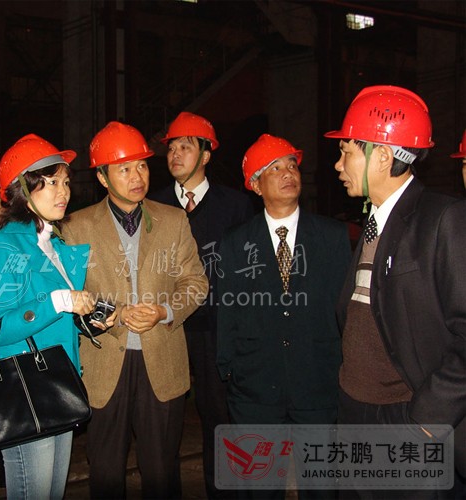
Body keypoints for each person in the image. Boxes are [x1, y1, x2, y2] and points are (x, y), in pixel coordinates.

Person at [325, 85, 466, 497]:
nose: (338, 164)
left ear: (383, 156)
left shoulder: (443, 220)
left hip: (406, 419)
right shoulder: (373, 220)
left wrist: (427, 419)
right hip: (354, 412)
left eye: (346, 151)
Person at [62, 121, 209, 499]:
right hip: (104, 362)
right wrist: (117, 316)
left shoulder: (174, 220)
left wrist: (164, 311)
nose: (137, 176)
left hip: (162, 358)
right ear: (102, 177)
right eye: (124, 168)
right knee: (106, 468)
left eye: (141, 165)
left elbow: (195, 282)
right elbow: (73, 295)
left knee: (161, 469)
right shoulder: (76, 227)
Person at [216, 133, 351, 499]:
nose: (288, 173)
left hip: (318, 383)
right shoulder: (235, 242)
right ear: (255, 185)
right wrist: (229, 368)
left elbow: (345, 310)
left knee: (322, 487)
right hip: (255, 388)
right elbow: (227, 311)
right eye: (275, 168)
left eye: (292, 165)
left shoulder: (332, 236)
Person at [0, 134, 109, 499]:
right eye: (51, 183)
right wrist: (60, 301)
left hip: (58, 384)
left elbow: (55, 317)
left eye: (65, 182)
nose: (63, 192)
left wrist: (88, 320)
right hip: (26, 390)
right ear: (21, 188)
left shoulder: (54, 243)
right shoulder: (3, 246)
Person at [149, 111, 254, 498]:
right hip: (167, 326)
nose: (175, 154)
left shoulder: (235, 206)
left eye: (186, 146)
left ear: (207, 155)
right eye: (171, 148)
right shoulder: (153, 206)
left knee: (219, 416)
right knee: (164, 421)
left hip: (216, 329)